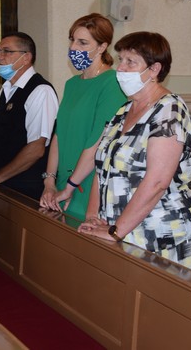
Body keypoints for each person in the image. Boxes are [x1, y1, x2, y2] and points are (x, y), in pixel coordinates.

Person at [78, 32, 191, 271]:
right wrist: (92, 215)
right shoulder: (123, 111)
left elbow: (157, 182)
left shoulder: (169, 111)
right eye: (120, 60)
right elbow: (103, 166)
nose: (120, 68)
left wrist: (116, 231)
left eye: (130, 62)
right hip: (119, 229)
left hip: (161, 235)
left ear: (154, 69)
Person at [39, 13, 126, 221]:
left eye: (82, 42)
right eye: (72, 40)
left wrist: (71, 186)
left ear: (102, 47)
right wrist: (49, 181)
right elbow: (59, 135)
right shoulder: (72, 84)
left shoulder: (112, 83)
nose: (73, 47)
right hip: (64, 180)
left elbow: (97, 142)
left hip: (88, 182)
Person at [0, 32, 59, 200]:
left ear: (26, 58)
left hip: (26, 190)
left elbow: (36, 148)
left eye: (7, 51)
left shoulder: (40, 91)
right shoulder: (6, 89)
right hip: (2, 185)